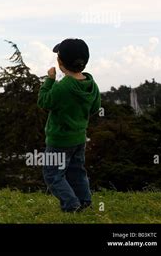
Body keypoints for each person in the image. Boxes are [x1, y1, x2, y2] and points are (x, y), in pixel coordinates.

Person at [37, 38, 101, 212]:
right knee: (77, 172)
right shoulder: (91, 84)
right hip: (79, 138)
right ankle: (85, 202)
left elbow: (44, 102)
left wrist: (49, 81)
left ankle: (71, 204)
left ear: (60, 62)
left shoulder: (62, 86)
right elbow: (95, 107)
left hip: (59, 140)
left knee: (52, 174)